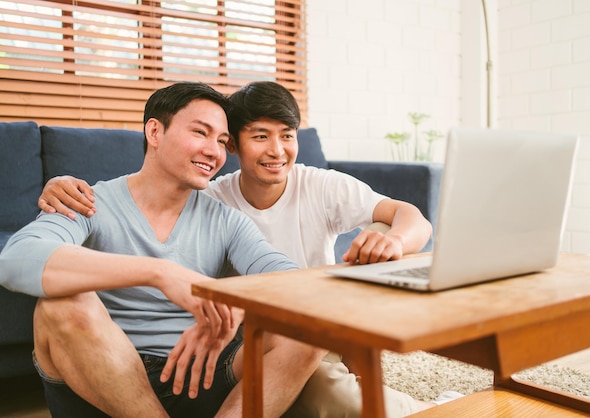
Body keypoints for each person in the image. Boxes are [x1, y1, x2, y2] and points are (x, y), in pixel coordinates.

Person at [38, 82, 460, 417]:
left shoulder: (322, 185)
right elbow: (145, 199)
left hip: (308, 322)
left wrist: (394, 240)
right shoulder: (211, 198)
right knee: (337, 402)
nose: (277, 151)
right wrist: (62, 184)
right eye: (260, 136)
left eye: (287, 136)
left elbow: (413, 219)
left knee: (337, 394)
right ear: (234, 146)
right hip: (247, 335)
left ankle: (446, 408)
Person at [0, 81, 328, 418]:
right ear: (155, 132)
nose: (214, 152)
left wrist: (237, 307)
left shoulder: (227, 221)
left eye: (221, 141)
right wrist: (160, 273)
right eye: (200, 133)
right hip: (103, 381)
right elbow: (15, 259)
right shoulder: (86, 203)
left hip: (203, 375)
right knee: (61, 305)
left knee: (307, 327)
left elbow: (292, 281)